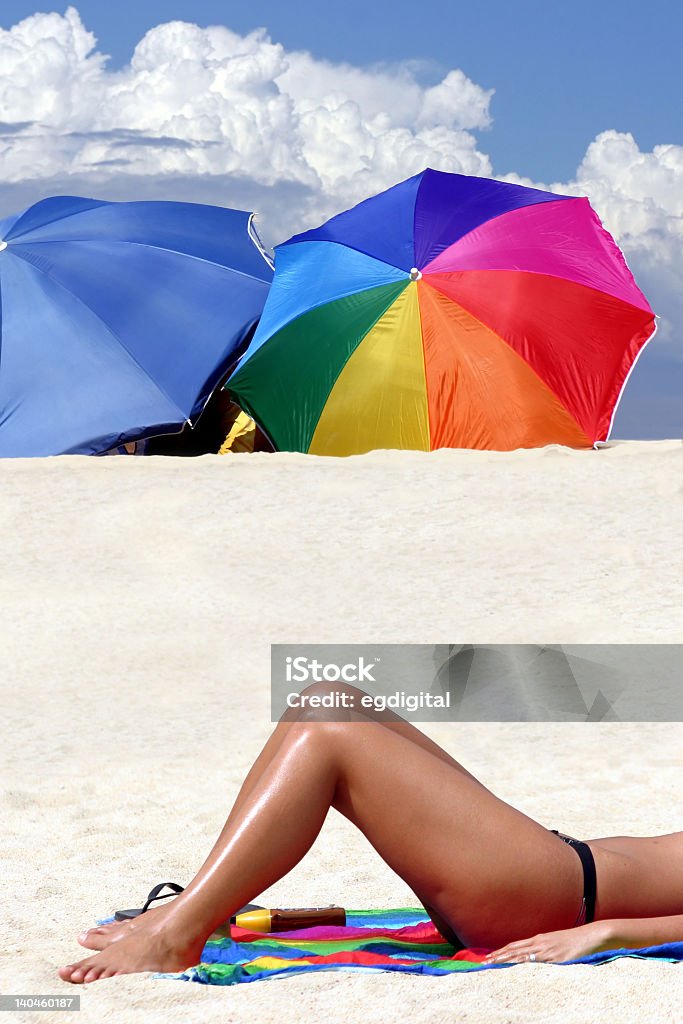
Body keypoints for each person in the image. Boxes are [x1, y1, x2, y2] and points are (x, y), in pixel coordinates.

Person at [59, 683, 683, 984]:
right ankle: (192, 906)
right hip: (554, 865)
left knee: (329, 736)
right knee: (327, 698)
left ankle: (176, 935)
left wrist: (609, 932)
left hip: (554, 894)